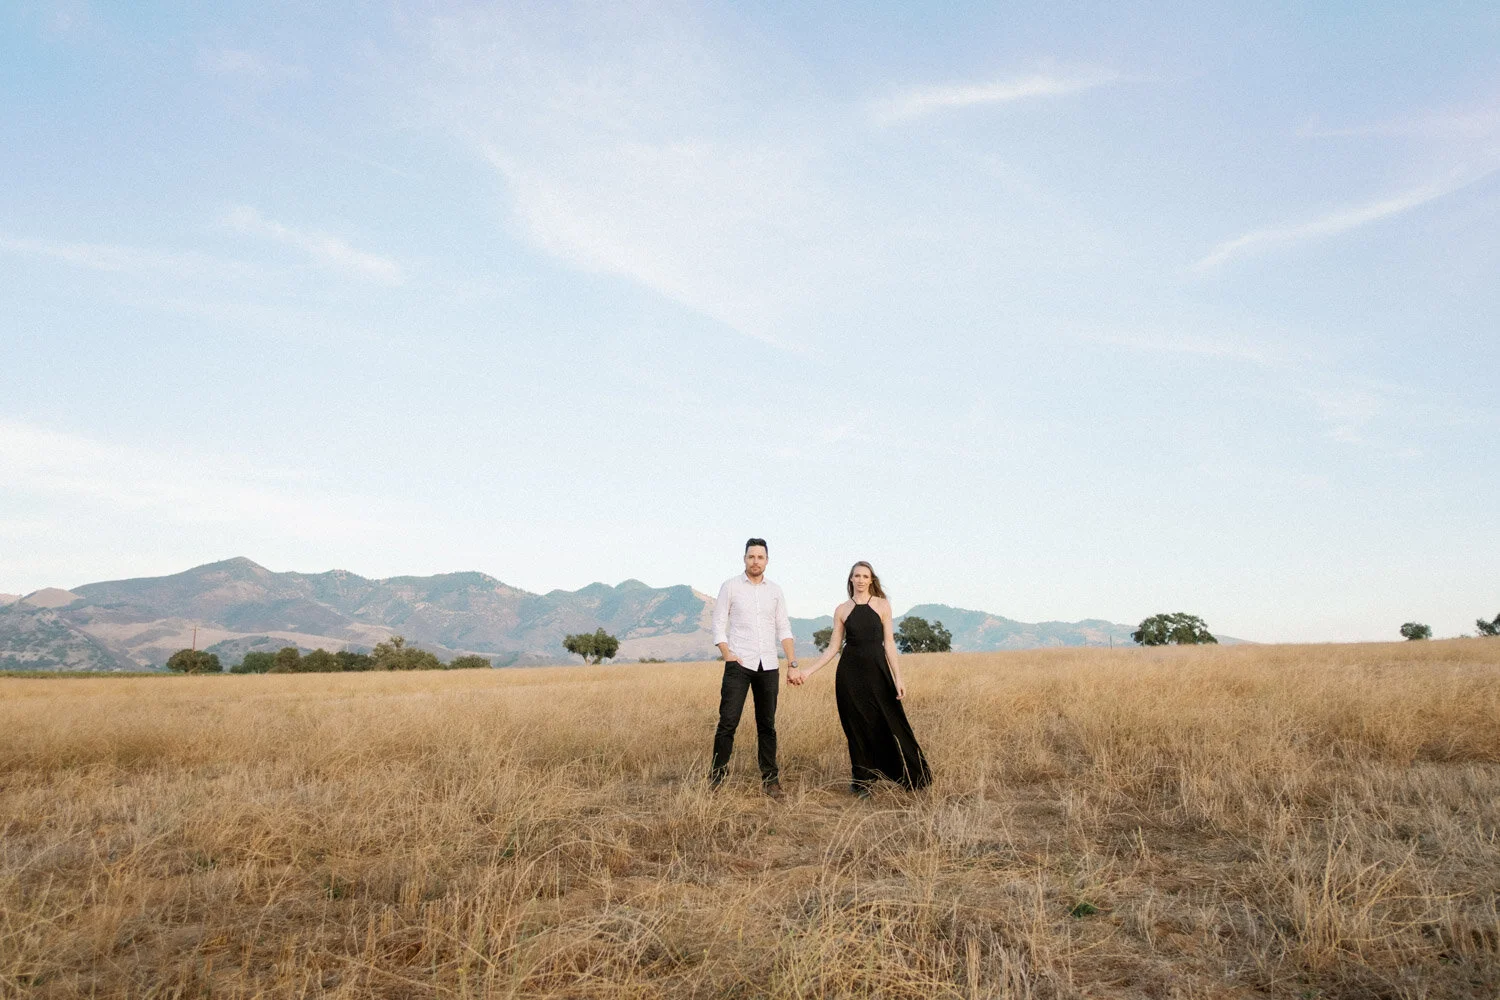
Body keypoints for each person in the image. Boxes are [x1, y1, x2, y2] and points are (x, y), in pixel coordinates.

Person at [789, 561, 931, 796]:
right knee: (856, 728)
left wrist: (899, 678)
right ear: (851, 580)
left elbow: (890, 643)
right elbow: (833, 647)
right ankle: (861, 782)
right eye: (857, 576)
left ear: (871, 580)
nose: (861, 579)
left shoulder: (883, 606)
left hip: (878, 673)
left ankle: (912, 776)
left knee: (890, 721)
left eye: (866, 576)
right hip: (850, 676)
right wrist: (807, 671)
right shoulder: (842, 610)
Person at [709, 537, 797, 798]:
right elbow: (718, 623)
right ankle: (716, 779)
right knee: (728, 722)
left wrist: (792, 663)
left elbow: (784, 628)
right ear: (744, 559)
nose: (755, 561)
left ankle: (771, 781)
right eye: (751, 556)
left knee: (767, 725)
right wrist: (727, 654)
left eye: (760, 557)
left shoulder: (775, 591)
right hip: (740, 663)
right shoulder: (731, 587)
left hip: (768, 665)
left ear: (767, 561)